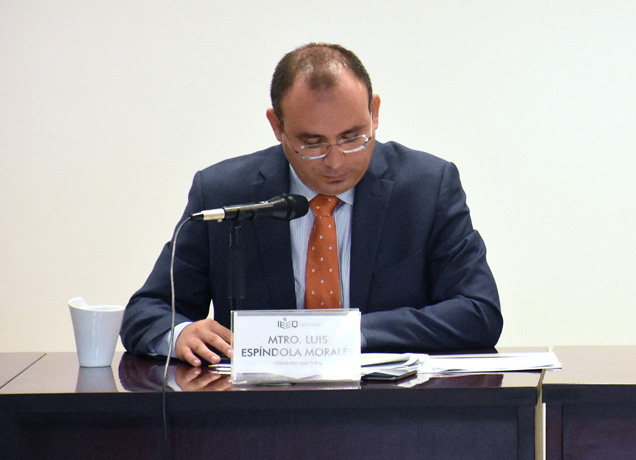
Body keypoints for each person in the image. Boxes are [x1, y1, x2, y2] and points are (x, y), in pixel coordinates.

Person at [121, 43, 502, 366]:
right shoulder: (225, 192)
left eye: (352, 137)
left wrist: (344, 334)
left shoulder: (426, 187)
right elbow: (147, 312)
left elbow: (478, 311)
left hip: (388, 411)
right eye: (313, 143)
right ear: (277, 126)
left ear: (375, 113)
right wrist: (181, 333)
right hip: (258, 415)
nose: (335, 161)